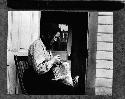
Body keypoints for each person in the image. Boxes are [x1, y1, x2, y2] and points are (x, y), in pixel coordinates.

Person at [23, 23, 79, 95]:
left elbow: (47, 62)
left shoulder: (46, 47)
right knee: (67, 89)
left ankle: (70, 82)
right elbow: (39, 69)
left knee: (66, 86)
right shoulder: (37, 45)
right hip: (34, 80)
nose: (55, 40)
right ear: (49, 35)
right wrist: (52, 61)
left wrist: (56, 62)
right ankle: (70, 84)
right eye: (55, 37)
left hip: (43, 78)